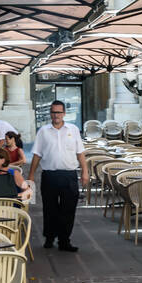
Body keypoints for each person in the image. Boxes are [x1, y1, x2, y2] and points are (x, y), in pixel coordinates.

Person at [29, 99, 89, 252]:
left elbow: (80, 152)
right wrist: (30, 176)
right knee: (50, 209)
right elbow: (36, 155)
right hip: (50, 176)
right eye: (53, 112)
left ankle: (64, 240)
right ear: (50, 113)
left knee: (68, 209)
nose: (56, 115)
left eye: (58, 112)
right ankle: (49, 237)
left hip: (69, 175)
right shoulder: (43, 131)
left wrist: (85, 171)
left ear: (64, 113)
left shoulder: (73, 129)